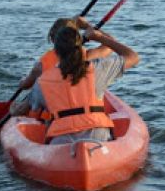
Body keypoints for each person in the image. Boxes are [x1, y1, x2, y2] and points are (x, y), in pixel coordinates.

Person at [10, 18, 139, 145]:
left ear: (56, 50)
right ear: (79, 45)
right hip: (99, 137)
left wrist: (13, 111)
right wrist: (98, 36)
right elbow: (133, 57)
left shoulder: (41, 82)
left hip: (61, 142)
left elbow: (22, 109)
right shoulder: (97, 68)